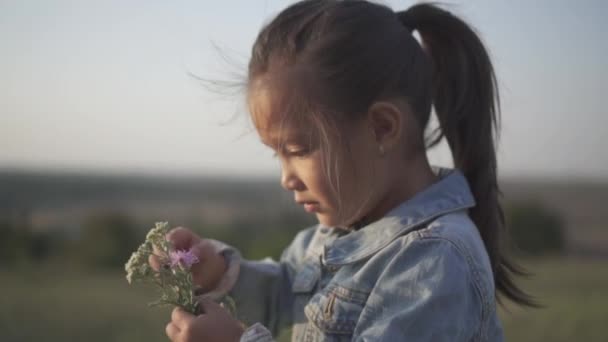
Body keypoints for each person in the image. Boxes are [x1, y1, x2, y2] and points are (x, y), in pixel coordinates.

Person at [150, 1, 535, 341]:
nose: (286, 178)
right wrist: (217, 273)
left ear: (382, 128)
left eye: (298, 150)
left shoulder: (435, 262)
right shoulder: (337, 232)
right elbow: (288, 291)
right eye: (277, 155)